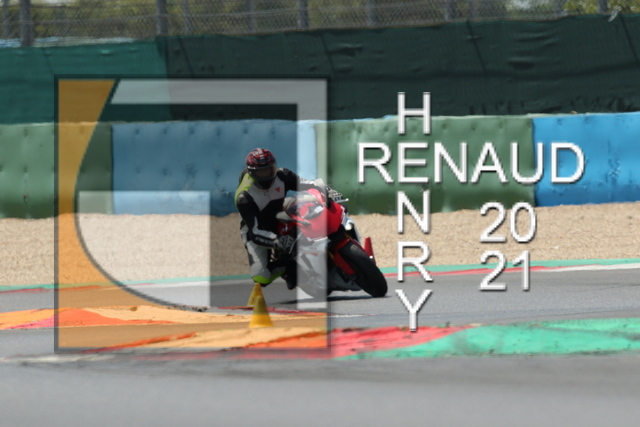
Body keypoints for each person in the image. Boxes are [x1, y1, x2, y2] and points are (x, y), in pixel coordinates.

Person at [234, 148, 341, 289]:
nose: (266, 175)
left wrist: (327, 190)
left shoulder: (283, 175)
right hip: (257, 226)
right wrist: (278, 241)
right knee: (261, 276)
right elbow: (255, 232)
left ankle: (324, 236)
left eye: (269, 169)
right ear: (252, 173)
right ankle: (288, 267)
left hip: (280, 206)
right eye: (261, 172)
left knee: (310, 200)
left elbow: (310, 184)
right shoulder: (244, 197)